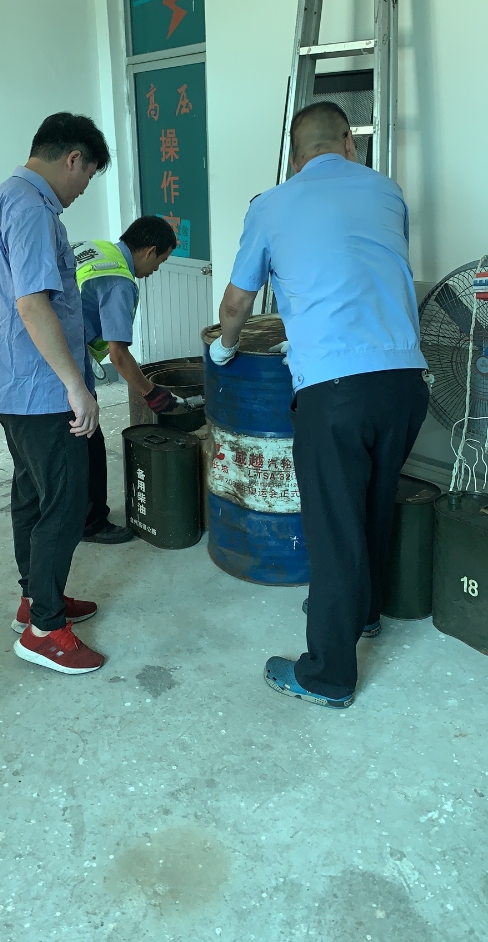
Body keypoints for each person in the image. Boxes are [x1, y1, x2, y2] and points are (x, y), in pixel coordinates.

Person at [210, 101, 429, 709]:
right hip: (405, 382)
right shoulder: (388, 193)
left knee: (333, 529)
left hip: (335, 392)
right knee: (374, 502)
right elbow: (367, 273)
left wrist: (225, 350)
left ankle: (328, 675)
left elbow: (236, 304)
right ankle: (366, 613)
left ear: (295, 157)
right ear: (349, 144)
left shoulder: (270, 205)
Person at [0, 112, 112, 675]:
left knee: (31, 495)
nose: (83, 190)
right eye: (88, 177)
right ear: (72, 159)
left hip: (14, 383)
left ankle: (35, 599)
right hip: (43, 389)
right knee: (65, 503)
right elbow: (33, 305)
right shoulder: (33, 209)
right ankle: (46, 630)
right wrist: (76, 386)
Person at [74, 216, 178, 542]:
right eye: (161, 261)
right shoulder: (119, 283)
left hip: (44, 352)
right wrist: (151, 392)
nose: (156, 269)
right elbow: (118, 355)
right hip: (66, 364)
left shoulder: (97, 249)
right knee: (87, 444)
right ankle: (91, 523)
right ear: (149, 251)